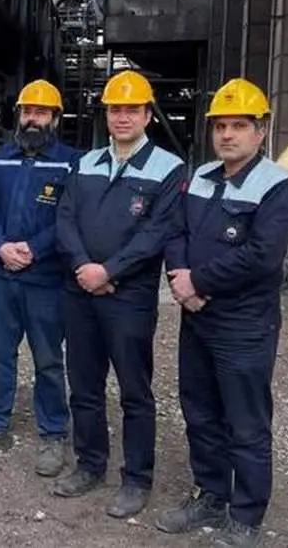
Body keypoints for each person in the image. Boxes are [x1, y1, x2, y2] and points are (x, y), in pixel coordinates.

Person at [156, 78, 288, 548]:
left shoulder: (279, 187)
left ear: (261, 131)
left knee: (245, 421)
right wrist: (180, 280)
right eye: (220, 126)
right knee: (199, 412)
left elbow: (262, 256)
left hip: (244, 324)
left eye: (239, 125)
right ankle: (211, 495)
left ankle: (246, 517)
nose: (227, 135)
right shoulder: (201, 176)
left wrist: (198, 282)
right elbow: (175, 232)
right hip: (197, 318)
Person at [53, 70, 186, 519]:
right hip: (80, 290)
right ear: (106, 115)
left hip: (129, 296)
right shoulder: (86, 163)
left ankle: (137, 479)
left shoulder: (168, 168)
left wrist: (109, 271)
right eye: (115, 109)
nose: (122, 117)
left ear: (148, 114)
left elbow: (157, 233)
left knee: (134, 390)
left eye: (132, 109)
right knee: (84, 385)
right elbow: (65, 219)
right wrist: (83, 267)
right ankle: (90, 464)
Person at [0, 79, 80, 478]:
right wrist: (0, 246)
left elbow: (69, 216)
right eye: (27, 111)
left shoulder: (70, 163)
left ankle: (53, 432)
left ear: (55, 118)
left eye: (41, 112)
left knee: (48, 359)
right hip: (1, 275)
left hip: (46, 278)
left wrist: (32, 249)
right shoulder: (0, 160)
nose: (32, 119)